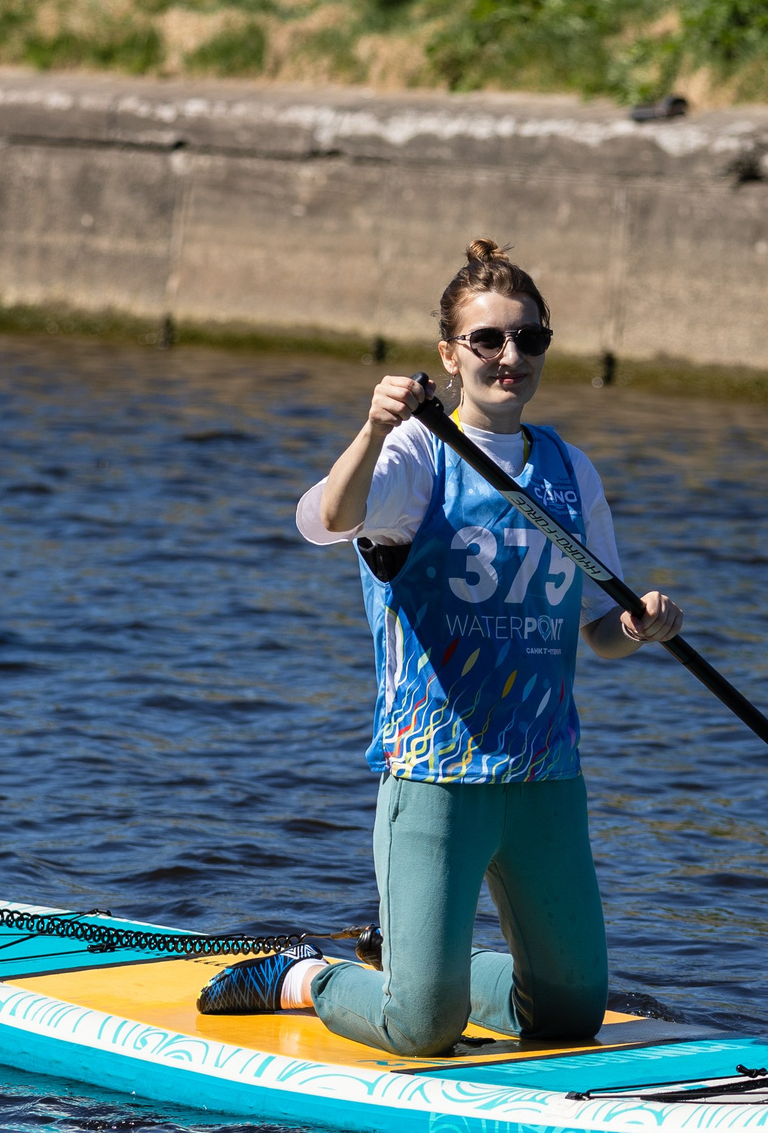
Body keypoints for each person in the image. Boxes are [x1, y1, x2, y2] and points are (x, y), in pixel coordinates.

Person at [200, 238, 684, 1055]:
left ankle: (430, 961)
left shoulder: (570, 470)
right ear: (449, 355)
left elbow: (598, 636)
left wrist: (638, 627)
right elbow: (326, 520)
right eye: (487, 339)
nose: (510, 357)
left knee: (570, 1017)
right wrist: (372, 426)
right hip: (435, 776)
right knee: (422, 1028)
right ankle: (305, 975)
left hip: (544, 774)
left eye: (530, 338)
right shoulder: (418, 454)